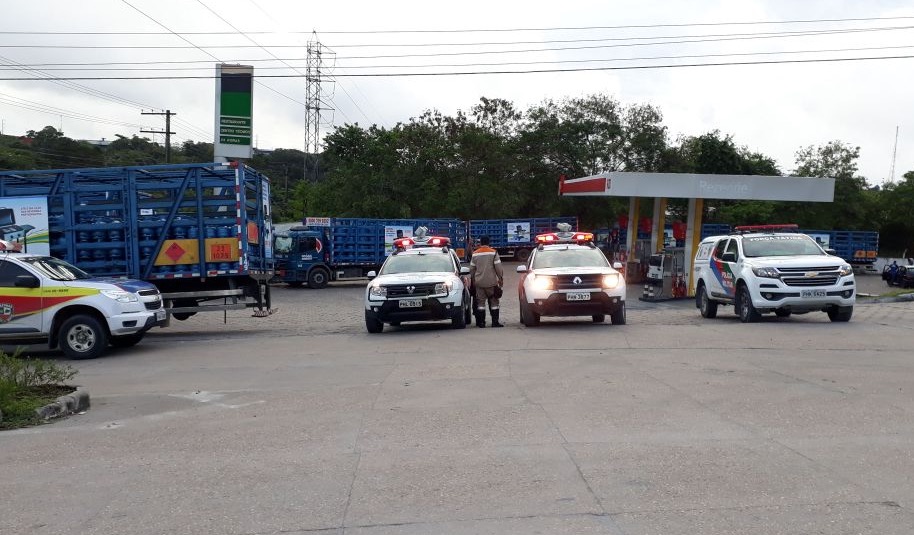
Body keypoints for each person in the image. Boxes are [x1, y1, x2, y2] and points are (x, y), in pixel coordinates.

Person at [469, 235, 504, 327]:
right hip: (491, 283)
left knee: (480, 303)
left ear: (480, 242)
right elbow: (498, 268)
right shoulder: (493, 253)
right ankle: (495, 322)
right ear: (489, 242)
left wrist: (473, 280)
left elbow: (472, 269)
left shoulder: (475, 253)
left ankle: (481, 323)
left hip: (479, 283)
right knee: (494, 302)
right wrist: (500, 279)